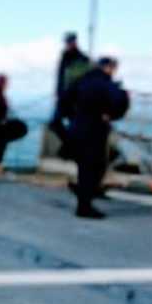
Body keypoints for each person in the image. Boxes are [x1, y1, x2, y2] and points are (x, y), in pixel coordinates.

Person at [62, 56, 129, 219]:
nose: (114, 72)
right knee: (94, 167)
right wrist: (110, 115)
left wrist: (75, 116)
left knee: (84, 166)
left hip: (77, 127)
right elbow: (122, 101)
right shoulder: (106, 83)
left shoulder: (82, 80)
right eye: (113, 68)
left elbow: (64, 101)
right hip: (95, 130)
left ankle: (83, 194)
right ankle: (84, 206)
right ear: (109, 68)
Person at [49, 32, 90, 154]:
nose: (68, 44)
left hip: (75, 99)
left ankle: (71, 148)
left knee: (74, 126)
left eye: (70, 42)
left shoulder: (83, 58)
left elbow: (83, 79)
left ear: (74, 42)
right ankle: (70, 146)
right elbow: (60, 77)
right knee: (55, 123)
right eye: (67, 42)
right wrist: (57, 92)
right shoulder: (64, 57)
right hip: (63, 97)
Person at [0, 73, 28, 176]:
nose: (7, 85)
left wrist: (3, 119)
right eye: (6, 83)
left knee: (4, 138)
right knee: (3, 137)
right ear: (2, 83)